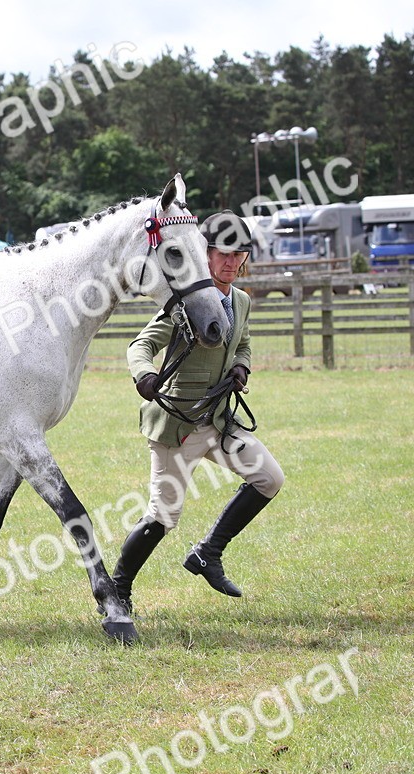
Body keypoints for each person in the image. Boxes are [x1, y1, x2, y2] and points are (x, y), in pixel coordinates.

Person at [112, 210, 285, 610]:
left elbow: (241, 343)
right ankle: (119, 588)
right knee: (163, 517)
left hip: (219, 420)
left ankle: (208, 552)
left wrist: (242, 365)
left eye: (238, 253)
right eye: (222, 253)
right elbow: (140, 346)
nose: (230, 261)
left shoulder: (241, 301)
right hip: (177, 426)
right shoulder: (187, 302)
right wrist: (143, 375)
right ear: (204, 255)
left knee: (269, 478)